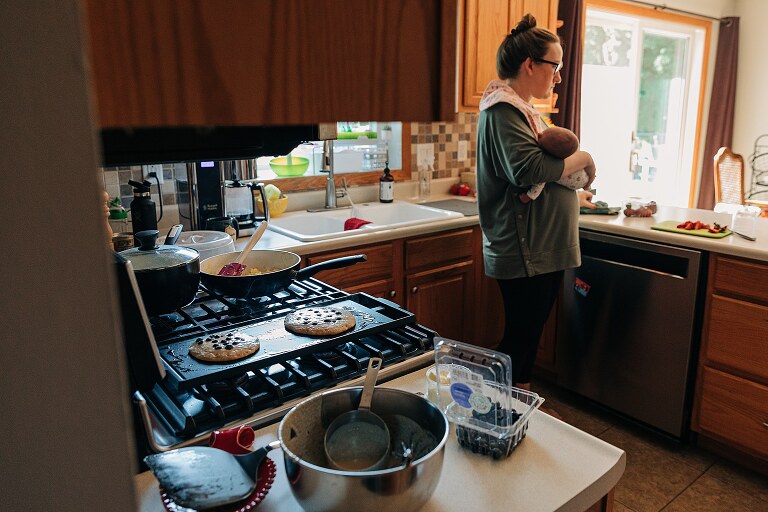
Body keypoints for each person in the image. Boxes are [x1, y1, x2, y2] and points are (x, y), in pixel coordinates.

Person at [476, 14, 597, 402]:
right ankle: (493, 408)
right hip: (525, 247)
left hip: (542, 245)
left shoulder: (524, 109)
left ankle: (518, 403)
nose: (558, 76)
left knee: (528, 333)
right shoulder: (502, 110)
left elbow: (545, 173)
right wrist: (584, 158)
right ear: (530, 64)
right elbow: (528, 170)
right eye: (555, 66)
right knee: (522, 333)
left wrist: (572, 194)